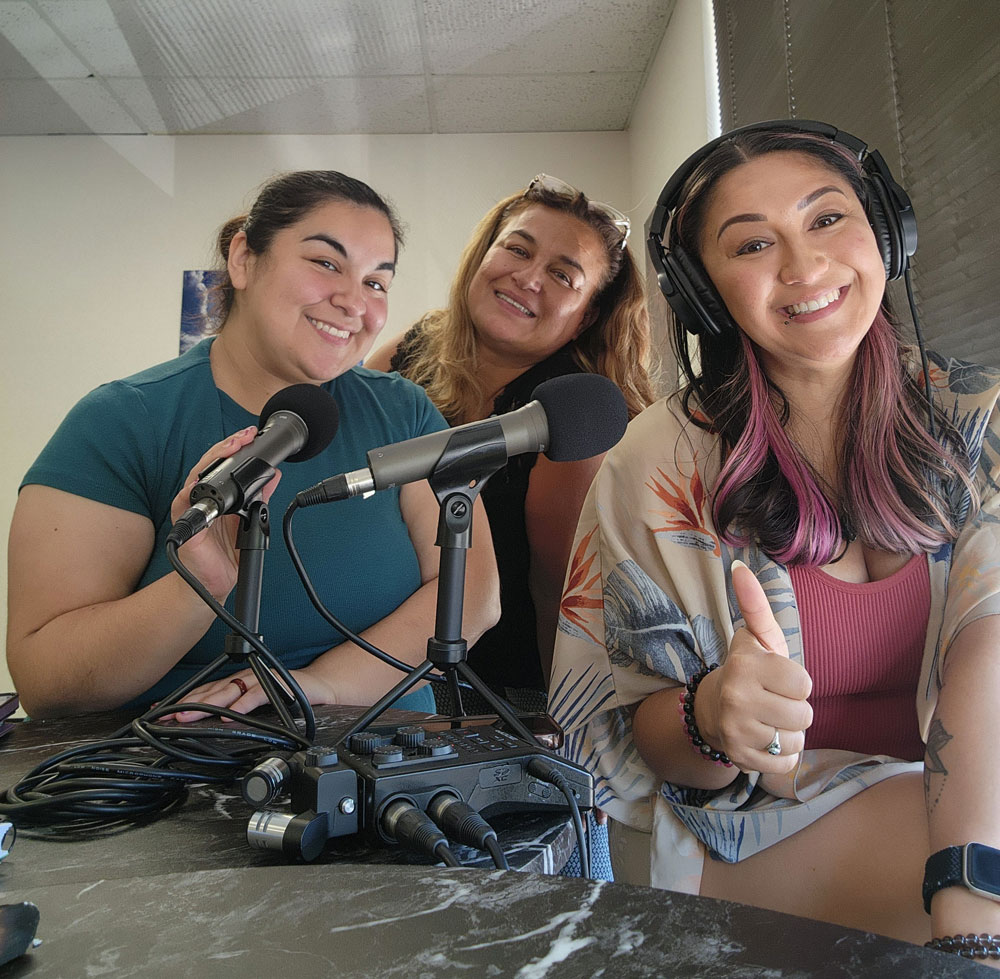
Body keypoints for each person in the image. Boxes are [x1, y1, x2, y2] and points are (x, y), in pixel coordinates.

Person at [548, 121, 1000, 958]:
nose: (803, 266)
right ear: (706, 292)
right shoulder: (659, 460)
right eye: (753, 244)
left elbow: (991, 652)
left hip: (966, 810)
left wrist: (973, 913)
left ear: (884, 233)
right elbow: (632, 742)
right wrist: (711, 713)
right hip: (746, 826)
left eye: (827, 219)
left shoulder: (979, 418)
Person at [7, 170, 499, 721]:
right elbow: (47, 682)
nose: (352, 301)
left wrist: (318, 686)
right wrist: (198, 588)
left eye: (376, 282)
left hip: (382, 757)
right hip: (177, 768)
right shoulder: (124, 420)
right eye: (325, 263)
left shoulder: (403, 412)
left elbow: (473, 595)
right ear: (243, 258)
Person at [366, 174, 655, 705]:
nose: (527, 277)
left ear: (586, 316)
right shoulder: (405, 353)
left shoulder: (566, 422)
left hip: (490, 694)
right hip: (367, 659)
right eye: (516, 249)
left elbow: (558, 599)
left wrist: (557, 731)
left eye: (563, 275)